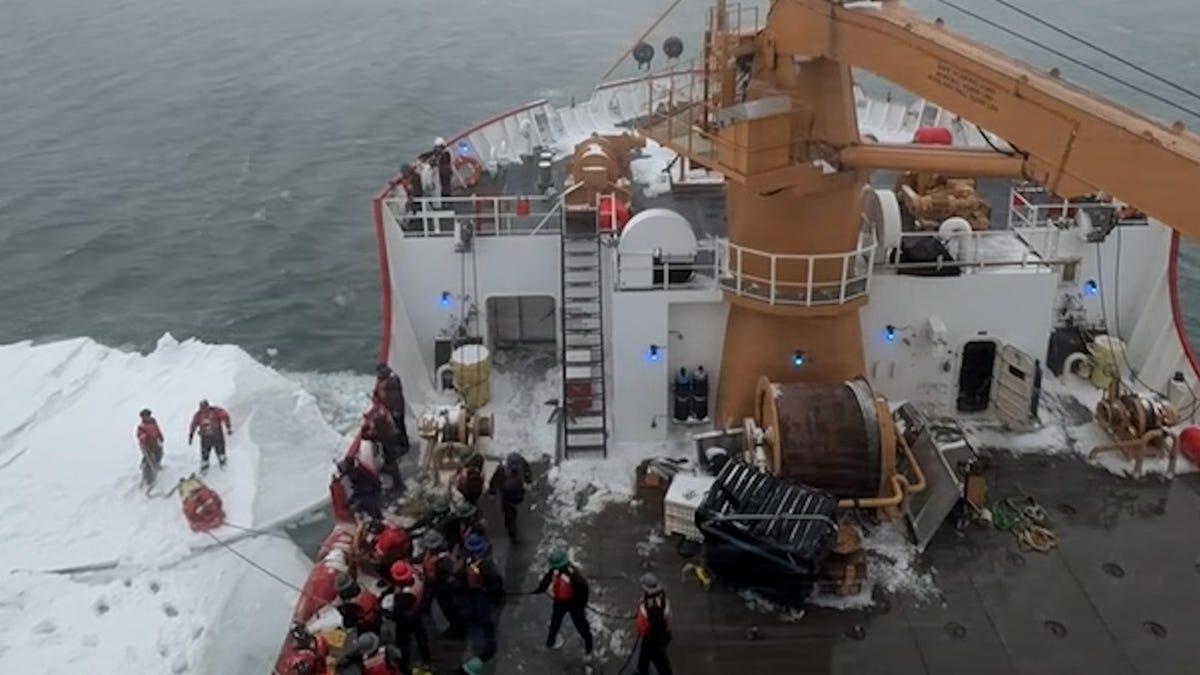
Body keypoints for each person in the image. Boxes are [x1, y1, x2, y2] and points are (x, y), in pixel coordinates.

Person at [532, 550, 593, 658]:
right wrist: (541, 588)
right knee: (555, 623)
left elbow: (584, 589)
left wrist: (581, 604)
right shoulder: (556, 569)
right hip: (560, 601)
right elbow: (549, 576)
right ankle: (550, 643)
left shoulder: (575, 577)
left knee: (582, 626)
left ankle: (589, 646)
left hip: (574, 603)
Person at [460, 533, 503, 661]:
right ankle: (474, 617)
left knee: (485, 618)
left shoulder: (486, 564)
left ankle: (490, 644)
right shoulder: (469, 559)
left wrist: (490, 591)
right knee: (477, 612)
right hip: (473, 590)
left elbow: (495, 580)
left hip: (483, 592)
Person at [382, 561, 430, 674]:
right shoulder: (417, 578)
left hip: (406, 618)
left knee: (403, 643)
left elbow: (396, 614)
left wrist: (384, 612)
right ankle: (426, 655)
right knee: (421, 634)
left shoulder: (406, 597)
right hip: (417, 612)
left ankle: (404, 667)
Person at [420, 529, 468, 639]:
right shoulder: (432, 555)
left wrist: (462, 559)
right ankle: (456, 627)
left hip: (443, 587)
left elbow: (454, 569)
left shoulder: (442, 560)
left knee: (449, 609)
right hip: (437, 585)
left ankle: (459, 630)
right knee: (447, 608)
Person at [634, 572, 674, 675]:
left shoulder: (654, 607)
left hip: (654, 638)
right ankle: (642, 669)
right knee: (644, 656)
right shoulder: (659, 596)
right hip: (653, 636)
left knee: (662, 664)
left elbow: (655, 624)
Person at [488, 452, 532, 544]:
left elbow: (527, 471)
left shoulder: (521, 464)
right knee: (510, 516)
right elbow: (494, 480)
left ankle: (512, 530)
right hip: (507, 497)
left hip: (516, 494)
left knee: (511, 513)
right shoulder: (502, 470)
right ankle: (513, 537)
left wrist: (528, 481)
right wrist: (492, 492)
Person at [362, 402, 405, 492]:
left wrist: (366, 434)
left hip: (386, 439)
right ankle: (398, 484)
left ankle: (398, 486)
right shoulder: (380, 410)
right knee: (392, 462)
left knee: (391, 462)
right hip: (390, 437)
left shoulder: (376, 417)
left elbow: (375, 432)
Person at [188, 399, 232, 472]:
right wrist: (191, 435)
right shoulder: (198, 415)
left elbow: (225, 415)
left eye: (205, 408)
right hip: (205, 438)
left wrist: (228, 427)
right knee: (205, 454)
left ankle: (223, 465)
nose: (204, 411)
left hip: (217, 436)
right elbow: (193, 425)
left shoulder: (215, 411)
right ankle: (205, 466)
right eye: (202, 409)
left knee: (220, 452)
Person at [372, 364, 409, 437]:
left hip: (395, 406)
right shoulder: (387, 380)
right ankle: (400, 442)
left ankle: (402, 443)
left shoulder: (392, 379)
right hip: (390, 407)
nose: (378, 374)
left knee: (398, 425)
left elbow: (391, 395)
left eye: (379, 372)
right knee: (396, 425)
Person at [136, 409, 164, 486]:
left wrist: (160, 436)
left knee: (159, 453)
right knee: (149, 459)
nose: (147, 418)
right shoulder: (141, 427)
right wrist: (144, 437)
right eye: (145, 416)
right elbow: (139, 435)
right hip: (146, 445)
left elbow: (157, 429)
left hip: (154, 442)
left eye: (148, 416)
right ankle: (148, 478)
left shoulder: (153, 422)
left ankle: (157, 465)